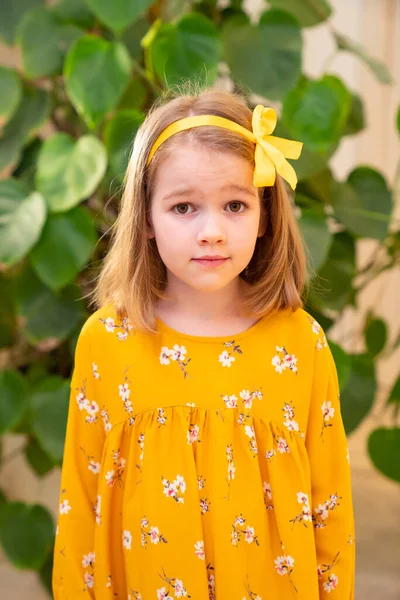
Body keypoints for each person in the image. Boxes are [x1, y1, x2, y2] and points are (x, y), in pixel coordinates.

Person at [52, 83, 355, 600]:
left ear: (265, 217)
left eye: (235, 206)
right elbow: (80, 504)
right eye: (184, 208)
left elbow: (330, 509)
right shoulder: (107, 343)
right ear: (146, 218)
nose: (211, 231)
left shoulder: (299, 344)